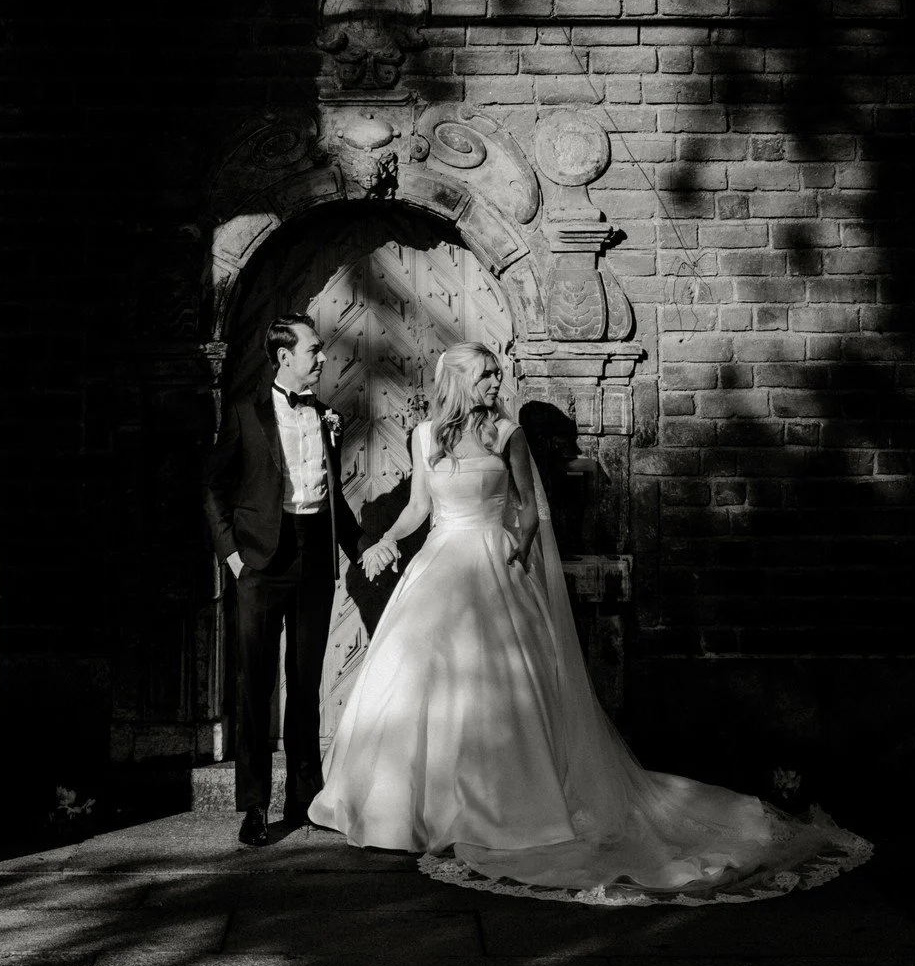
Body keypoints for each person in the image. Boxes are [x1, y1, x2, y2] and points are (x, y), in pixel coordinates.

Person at [309, 343, 869, 904]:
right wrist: (385, 540)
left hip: (493, 564)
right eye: (484, 375)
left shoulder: (508, 435)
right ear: (456, 381)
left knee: (503, 693)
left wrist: (517, 550)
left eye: (495, 374)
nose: (494, 383)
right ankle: (407, 811)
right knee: (417, 683)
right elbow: (418, 508)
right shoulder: (425, 436)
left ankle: (501, 809)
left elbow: (530, 509)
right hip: (438, 567)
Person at [204, 313, 361, 847]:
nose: (322, 357)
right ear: (285, 356)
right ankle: (252, 806)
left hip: (315, 556)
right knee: (255, 687)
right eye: (314, 350)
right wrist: (231, 558)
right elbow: (213, 487)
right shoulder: (246, 413)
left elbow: (332, 495)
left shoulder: (324, 416)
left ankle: (304, 798)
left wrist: (360, 548)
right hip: (259, 564)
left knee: (306, 684)